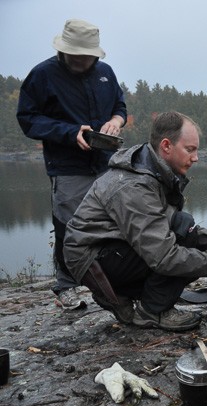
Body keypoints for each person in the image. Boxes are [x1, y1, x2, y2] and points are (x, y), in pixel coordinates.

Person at [63, 111, 207, 332]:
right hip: (93, 259)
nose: (196, 158)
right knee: (180, 242)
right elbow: (164, 256)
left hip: (111, 249)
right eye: (190, 149)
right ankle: (151, 311)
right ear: (166, 146)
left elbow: (172, 224)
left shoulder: (153, 171)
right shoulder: (134, 186)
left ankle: (125, 296)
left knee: (183, 225)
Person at [16, 19, 127, 310]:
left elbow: (120, 106)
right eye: (78, 55)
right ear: (64, 50)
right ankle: (65, 286)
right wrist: (69, 132)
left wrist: (116, 122)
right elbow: (28, 119)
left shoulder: (105, 73)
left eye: (88, 55)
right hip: (67, 165)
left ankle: (109, 277)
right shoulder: (43, 74)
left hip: (105, 162)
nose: (83, 60)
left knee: (111, 222)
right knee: (68, 225)